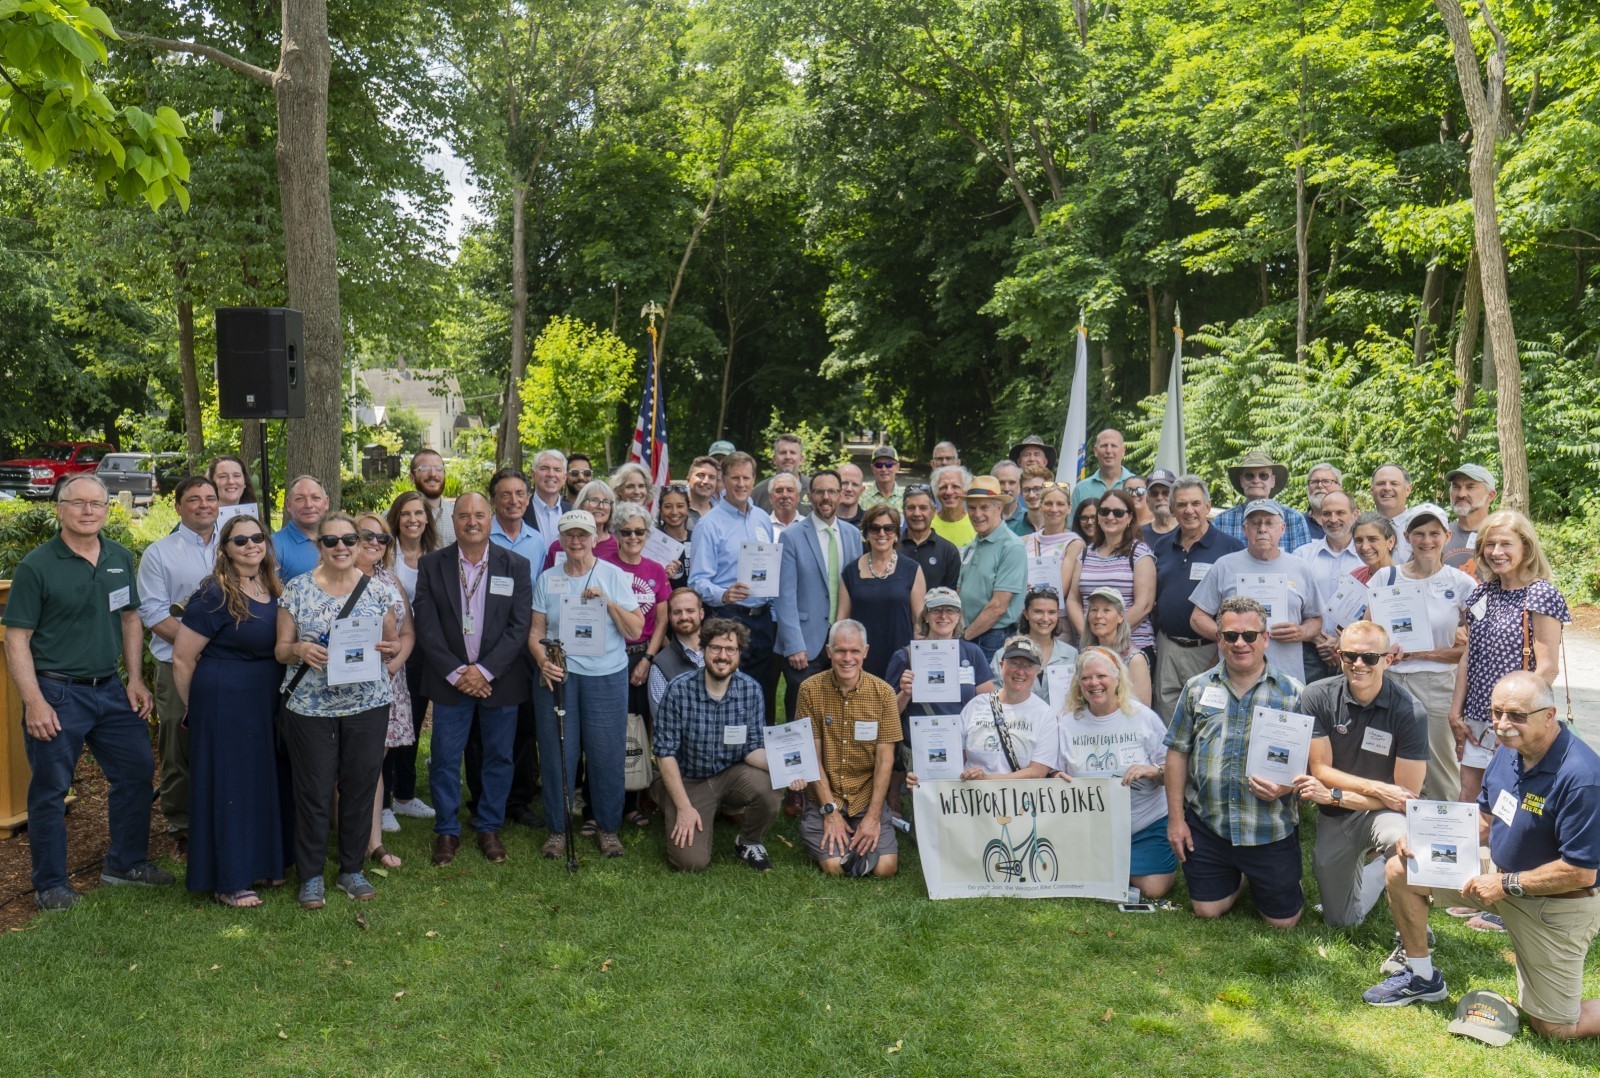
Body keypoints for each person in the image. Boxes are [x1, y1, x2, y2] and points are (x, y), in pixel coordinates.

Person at [1363, 670, 1600, 1036]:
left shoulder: (1583, 777)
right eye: (1497, 712)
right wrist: (1423, 841)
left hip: (1557, 902)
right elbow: (1485, 822)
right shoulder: (1509, 753)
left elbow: (1580, 872)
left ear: (1550, 716)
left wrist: (1504, 884)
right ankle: (1421, 976)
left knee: (1555, 1028)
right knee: (1402, 869)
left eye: (1517, 715)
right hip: (1499, 874)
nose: (1503, 725)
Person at [3, 475, 173, 911]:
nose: (88, 510)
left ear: (105, 509)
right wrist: (34, 700)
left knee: (136, 772)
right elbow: (16, 638)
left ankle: (126, 864)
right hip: (57, 693)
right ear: (59, 509)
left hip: (111, 690)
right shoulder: (37, 566)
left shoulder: (117, 557)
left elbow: (131, 618)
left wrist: (135, 679)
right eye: (77, 503)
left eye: (96, 503)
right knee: (51, 789)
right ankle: (51, 885)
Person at [274, 511, 401, 908]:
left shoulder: (378, 591)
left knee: (360, 786)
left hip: (367, 702)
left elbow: (393, 642)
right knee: (312, 789)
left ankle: (351, 869)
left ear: (361, 542)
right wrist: (297, 649)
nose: (342, 547)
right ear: (320, 546)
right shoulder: (296, 589)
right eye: (332, 541)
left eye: (350, 539)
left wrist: (389, 649)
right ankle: (310, 875)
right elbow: (280, 649)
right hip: (310, 706)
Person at [1164, 597, 1306, 927]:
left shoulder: (1293, 694)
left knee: (1283, 923)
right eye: (1230, 635)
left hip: (1267, 827)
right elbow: (1177, 752)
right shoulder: (1196, 689)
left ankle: (1272, 876)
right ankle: (1237, 877)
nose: (1240, 643)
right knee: (1206, 910)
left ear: (1265, 638)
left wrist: (1285, 787)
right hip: (1209, 824)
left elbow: (1312, 764)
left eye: (1250, 635)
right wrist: (1175, 820)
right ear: (1219, 639)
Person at [171, 513, 287, 907]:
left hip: (265, 698)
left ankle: (264, 863)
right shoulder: (214, 595)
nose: (251, 545)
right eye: (241, 541)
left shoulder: (273, 585)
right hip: (224, 700)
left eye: (257, 537)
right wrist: (196, 709)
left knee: (262, 780)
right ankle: (229, 880)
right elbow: (184, 658)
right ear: (225, 550)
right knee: (231, 785)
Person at [412, 494, 533, 867]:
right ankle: (447, 831)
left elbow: (519, 626)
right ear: (454, 520)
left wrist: (484, 671)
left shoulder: (515, 565)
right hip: (451, 681)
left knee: (498, 756)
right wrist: (459, 672)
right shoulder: (432, 565)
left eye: (479, 515)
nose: (472, 521)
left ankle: (489, 826)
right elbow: (426, 625)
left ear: (490, 518)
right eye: (464, 515)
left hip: (500, 680)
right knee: (446, 758)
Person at [1290, 621, 1428, 928]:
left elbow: (1405, 795)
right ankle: (1377, 873)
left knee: (1403, 841)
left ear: (1388, 659)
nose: (1358, 664)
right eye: (1350, 656)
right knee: (1342, 924)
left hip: (1384, 813)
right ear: (1339, 656)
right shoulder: (1317, 695)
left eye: (1370, 657)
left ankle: (1415, 932)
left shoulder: (1410, 711)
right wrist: (1376, 789)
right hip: (1338, 810)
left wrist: (1341, 794)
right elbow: (1321, 770)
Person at [530, 510, 644, 858]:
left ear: (595, 538)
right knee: (556, 753)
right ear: (561, 539)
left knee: (605, 753)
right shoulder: (548, 579)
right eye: (569, 535)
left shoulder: (613, 575)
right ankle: (558, 829)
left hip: (605, 676)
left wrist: (608, 604)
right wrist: (542, 661)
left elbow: (636, 629)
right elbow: (536, 633)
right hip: (559, 676)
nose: (576, 542)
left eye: (583, 535)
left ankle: (608, 828)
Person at [652, 619, 802, 872]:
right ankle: (668, 797)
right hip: (691, 779)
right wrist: (684, 808)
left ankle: (749, 841)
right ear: (703, 650)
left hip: (732, 773)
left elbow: (752, 748)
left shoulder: (751, 690)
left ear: (740, 653)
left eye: (730, 649)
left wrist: (787, 769)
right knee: (690, 863)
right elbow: (664, 754)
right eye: (715, 648)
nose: (723, 656)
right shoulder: (678, 690)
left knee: (769, 787)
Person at [1450, 509, 1570, 805]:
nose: (1496, 552)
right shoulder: (1481, 594)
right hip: (1478, 719)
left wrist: (1510, 718)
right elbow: (1469, 655)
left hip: (1516, 721)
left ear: (1525, 548)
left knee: (1510, 801)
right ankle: (1475, 853)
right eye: (1489, 545)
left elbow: (1547, 669)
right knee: (1470, 798)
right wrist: (1455, 712)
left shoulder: (1541, 595)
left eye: (1505, 544)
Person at [136, 475, 220, 857]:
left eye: (210, 498)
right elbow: (153, 612)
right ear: (178, 506)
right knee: (178, 746)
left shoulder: (239, 542)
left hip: (230, 666)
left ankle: (226, 816)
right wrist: (194, 647)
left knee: (228, 741)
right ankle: (183, 827)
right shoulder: (159, 553)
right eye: (194, 499)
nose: (204, 505)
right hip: (176, 665)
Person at [1057, 647, 1176, 899]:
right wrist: (1057, 779)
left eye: (1101, 676)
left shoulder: (1143, 717)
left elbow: (1174, 772)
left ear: (1117, 679)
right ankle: (1106, 863)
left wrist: (1153, 771)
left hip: (1144, 823)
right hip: (1091, 825)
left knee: (1153, 889)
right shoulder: (1067, 724)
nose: (1094, 683)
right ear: (1079, 683)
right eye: (1086, 678)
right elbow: (1055, 772)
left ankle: (1116, 864)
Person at [1382, 504, 1475, 802]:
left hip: (1437, 685)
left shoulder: (1461, 583)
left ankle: (1446, 838)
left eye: (1435, 533)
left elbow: (1472, 647)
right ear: (1406, 536)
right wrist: (1385, 652)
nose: (1426, 540)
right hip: (1389, 683)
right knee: (1386, 759)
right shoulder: (1386, 578)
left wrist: (1423, 654)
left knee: (1439, 768)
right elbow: (1368, 635)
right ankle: (1391, 835)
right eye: (1419, 533)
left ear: (1447, 536)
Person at [796, 621, 902, 877]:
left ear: (865, 651)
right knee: (835, 866)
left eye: (854, 651)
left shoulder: (884, 693)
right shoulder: (809, 689)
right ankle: (831, 829)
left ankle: (862, 834)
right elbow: (812, 756)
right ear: (829, 651)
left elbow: (885, 761)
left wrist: (873, 816)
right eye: (840, 651)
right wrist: (830, 812)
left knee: (886, 869)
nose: (847, 658)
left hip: (865, 796)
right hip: (826, 794)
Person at [1189, 499, 1322, 683]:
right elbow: (1197, 618)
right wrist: (1229, 636)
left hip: (1287, 678)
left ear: (1282, 528)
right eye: (1255, 523)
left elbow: (1315, 619)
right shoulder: (1224, 566)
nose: (1262, 529)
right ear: (1245, 529)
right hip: (1235, 677)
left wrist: (1301, 632)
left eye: (1269, 523)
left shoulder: (1301, 568)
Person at [690, 451, 779, 721]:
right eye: (734, 478)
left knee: (763, 694)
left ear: (754, 480)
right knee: (728, 694)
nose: (741, 484)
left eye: (746, 478)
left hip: (762, 619)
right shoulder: (709, 525)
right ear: (722, 481)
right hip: (728, 619)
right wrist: (724, 594)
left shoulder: (763, 518)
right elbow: (697, 581)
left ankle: (761, 754)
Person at [1149, 476, 1243, 721]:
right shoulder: (1161, 546)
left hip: (1208, 648)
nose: (1188, 510)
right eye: (1181, 505)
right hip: (1168, 646)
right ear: (1172, 510)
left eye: (1195, 503)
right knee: (1167, 719)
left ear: (1208, 507)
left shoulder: (1230, 548)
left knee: (1206, 718)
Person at [908, 636, 1058, 785]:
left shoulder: (1044, 714)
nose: (1020, 671)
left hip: (1017, 802)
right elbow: (954, 758)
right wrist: (924, 777)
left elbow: (1037, 772)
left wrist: (987, 780)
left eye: (1028, 666)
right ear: (1001, 665)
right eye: (1014, 663)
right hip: (971, 800)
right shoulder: (976, 705)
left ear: (1038, 671)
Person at [353, 513, 414, 867]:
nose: (375, 542)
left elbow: (408, 633)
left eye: (383, 538)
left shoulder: (391, 580)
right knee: (345, 764)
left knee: (375, 761)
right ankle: (350, 833)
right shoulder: (330, 579)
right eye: (367, 535)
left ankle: (373, 841)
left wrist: (391, 666)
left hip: (388, 682)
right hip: (344, 686)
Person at [613, 500, 673, 826]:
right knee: (611, 729)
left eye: (639, 531)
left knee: (640, 730)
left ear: (647, 534)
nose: (633, 537)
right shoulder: (606, 566)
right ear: (616, 534)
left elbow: (662, 621)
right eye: (626, 532)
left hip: (643, 656)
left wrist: (648, 659)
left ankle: (633, 800)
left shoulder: (654, 571)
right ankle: (607, 800)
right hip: (612, 658)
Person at [776, 470, 862, 691]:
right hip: (805, 643)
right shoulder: (791, 536)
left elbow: (856, 589)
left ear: (840, 495)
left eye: (831, 491)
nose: (826, 498)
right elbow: (784, 596)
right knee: (801, 714)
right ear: (810, 496)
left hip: (842, 642)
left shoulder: (852, 535)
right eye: (820, 492)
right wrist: (794, 644)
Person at [383, 491, 436, 823]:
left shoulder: (438, 555)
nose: (413, 519)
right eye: (406, 514)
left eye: (419, 513)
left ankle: (405, 794)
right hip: (391, 650)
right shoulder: (387, 556)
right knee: (388, 726)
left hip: (424, 654)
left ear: (427, 519)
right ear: (396, 518)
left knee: (411, 725)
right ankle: (384, 802)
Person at [1065, 488, 1156, 661]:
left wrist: (1110, 639)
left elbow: (1144, 604)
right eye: (1104, 511)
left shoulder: (1139, 553)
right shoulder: (1085, 554)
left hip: (1130, 647)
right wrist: (1090, 636)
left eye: (1118, 512)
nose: (1110, 517)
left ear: (1129, 518)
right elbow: (1073, 600)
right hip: (1090, 647)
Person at [841, 504, 925, 681]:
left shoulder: (912, 569)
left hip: (900, 657)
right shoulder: (850, 571)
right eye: (875, 528)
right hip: (860, 657)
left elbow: (919, 623)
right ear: (866, 533)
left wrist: (919, 660)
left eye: (889, 528)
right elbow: (842, 621)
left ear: (896, 534)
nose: (882, 534)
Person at [1296, 489, 1362, 684]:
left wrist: (1342, 642)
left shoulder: (1366, 558)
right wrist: (1317, 639)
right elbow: (1293, 605)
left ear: (1355, 514)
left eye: (1340, 512)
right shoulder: (1302, 556)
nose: (1333, 519)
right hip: (1310, 653)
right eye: (1327, 513)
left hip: (1356, 655)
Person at [956, 476, 1026, 654]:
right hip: (971, 634)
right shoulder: (975, 543)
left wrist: (964, 638)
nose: (977, 514)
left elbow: (998, 606)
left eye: (984, 507)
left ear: (999, 507)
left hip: (991, 638)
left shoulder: (1011, 546)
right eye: (971, 508)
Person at [1213, 451, 1313, 551]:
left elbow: (1304, 562)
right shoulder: (1221, 521)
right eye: (1249, 475)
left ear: (1273, 481)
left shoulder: (1294, 520)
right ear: (1241, 481)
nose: (1256, 480)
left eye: (1263, 475)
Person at [997, 586, 1076, 705]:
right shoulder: (1004, 654)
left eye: (1051, 612)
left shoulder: (1071, 654)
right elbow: (995, 696)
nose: (1045, 618)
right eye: (1038, 612)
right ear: (1026, 614)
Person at [1079, 587, 1153, 707]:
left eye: (1106, 610)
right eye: (1094, 610)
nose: (1098, 615)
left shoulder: (1135, 659)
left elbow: (1142, 710)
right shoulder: (1084, 656)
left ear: (1120, 617)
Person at [647, 587, 706, 717]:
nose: (684, 617)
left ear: (701, 614)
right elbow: (662, 721)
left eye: (690, 611)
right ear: (669, 617)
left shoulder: (721, 652)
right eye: (677, 612)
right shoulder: (661, 665)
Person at [541, 479, 618, 570]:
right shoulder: (560, 546)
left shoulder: (618, 547)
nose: (600, 506)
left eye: (606, 502)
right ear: (581, 504)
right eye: (594, 500)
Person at [899, 483, 960, 591]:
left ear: (933, 511)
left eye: (923, 508)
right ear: (903, 511)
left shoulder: (949, 551)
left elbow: (951, 597)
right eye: (911, 508)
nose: (917, 513)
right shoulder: (892, 546)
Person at [272, 475, 329, 580]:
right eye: (299, 499)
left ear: (326, 503)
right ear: (288, 504)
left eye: (315, 498)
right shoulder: (273, 545)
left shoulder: (340, 540)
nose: (308, 505)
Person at [1443, 463, 1497, 572]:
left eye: (1470, 487)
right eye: (1456, 487)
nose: (1461, 494)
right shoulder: (1439, 536)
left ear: (1490, 495)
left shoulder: (1502, 535)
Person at [489, 466, 544, 572]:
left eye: (520, 494)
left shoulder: (537, 541)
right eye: (506, 495)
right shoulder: (482, 537)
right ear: (493, 501)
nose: (514, 501)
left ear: (528, 499)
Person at [1070, 429, 1135, 514]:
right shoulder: (1081, 489)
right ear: (1095, 451)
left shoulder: (1137, 486)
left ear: (1123, 451)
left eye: (1114, 446)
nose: (1108, 451)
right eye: (1104, 446)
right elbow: (1073, 526)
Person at [1022, 481, 1083, 565]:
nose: (1054, 509)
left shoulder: (1074, 543)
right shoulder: (1025, 542)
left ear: (1069, 508)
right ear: (1040, 506)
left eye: (1060, 504)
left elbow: (1064, 578)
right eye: (1048, 504)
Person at [522, 448, 571, 551]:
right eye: (544, 468)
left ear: (564, 477)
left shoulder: (573, 512)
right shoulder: (520, 511)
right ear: (533, 475)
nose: (551, 474)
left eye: (557, 470)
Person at [1370, 464, 1415, 562]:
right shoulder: (1362, 528)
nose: (1387, 488)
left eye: (1394, 483)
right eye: (1381, 483)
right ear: (1371, 490)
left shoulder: (1419, 526)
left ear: (1407, 490)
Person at [410, 449, 455, 545]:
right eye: (424, 468)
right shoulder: (395, 516)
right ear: (412, 478)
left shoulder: (457, 514)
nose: (433, 474)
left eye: (439, 469)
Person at [752, 433, 805, 513]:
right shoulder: (759, 492)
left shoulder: (813, 488)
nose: (788, 457)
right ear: (774, 459)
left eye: (792, 453)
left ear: (801, 459)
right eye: (783, 453)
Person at [655, 483, 693, 590]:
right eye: (668, 507)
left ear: (688, 508)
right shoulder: (652, 541)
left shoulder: (698, 538)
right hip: (666, 602)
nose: (674, 512)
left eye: (680, 506)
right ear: (661, 511)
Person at [929, 465, 976, 547]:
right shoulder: (928, 523)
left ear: (965, 491)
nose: (949, 492)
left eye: (955, 486)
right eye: (943, 487)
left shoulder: (976, 522)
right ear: (936, 492)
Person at [1349, 511, 1398, 585]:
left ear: (1390, 542)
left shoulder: (1404, 578)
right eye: (1358, 540)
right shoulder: (1356, 576)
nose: (1365, 547)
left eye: (1373, 539)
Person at [1304, 462, 1343, 540]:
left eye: (1326, 481)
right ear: (1308, 488)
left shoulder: (1352, 524)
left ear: (1339, 487)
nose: (1320, 485)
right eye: (1314, 482)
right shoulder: (1297, 524)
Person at [1009, 466, 1051, 536]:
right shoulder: (1011, 531)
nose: (1031, 495)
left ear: (1048, 490)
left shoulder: (1060, 529)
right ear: (1021, 493)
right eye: (1026, 490)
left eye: (1037, 489)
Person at [860, 445, 902, 513]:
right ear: (873, 468)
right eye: (878, 465)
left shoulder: (906, 498)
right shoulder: (862, 499)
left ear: (897, 467)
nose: (884, 469)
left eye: (889, 464)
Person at [1142, 468, 1178, 543]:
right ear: (1147, 500)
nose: (1160, 498)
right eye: (1154, 493)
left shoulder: (1187, 530)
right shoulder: (1139, 535)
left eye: (1166, 492)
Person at [991, 460, 1026, 531]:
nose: (1007, 488)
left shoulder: (1028, 519)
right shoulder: (986, 517)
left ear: (1020, 486)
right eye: (1001, 483)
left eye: (1012, 482)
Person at [685, 455, 720, 523]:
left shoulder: (721, 515)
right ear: (688, 480)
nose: (706, 481)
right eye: (700, 475)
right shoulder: (676, 512)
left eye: (711, 477)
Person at [767, 472, 803, 537]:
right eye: (779, 491)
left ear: (798, 497)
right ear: (770, 498)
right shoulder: (763, 526)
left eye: (790, 490)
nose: (785, 495)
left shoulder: (809, 526)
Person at [836, 462, 865, 527]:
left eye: (855, 485)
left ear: (862, 490)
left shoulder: (870, 522)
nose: (849, 489)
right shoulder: (822, 519)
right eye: (844, 483)